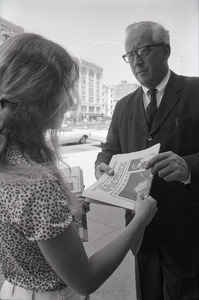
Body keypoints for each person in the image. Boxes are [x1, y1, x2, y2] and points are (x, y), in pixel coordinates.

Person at [0, 33, 157, 300]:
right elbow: (86, 280)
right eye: (65, 91)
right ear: (41, 97)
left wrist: (66, 209)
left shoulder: (15, 156)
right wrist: (139, 220)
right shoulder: (36, 181)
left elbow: (25, 231)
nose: (70, 103)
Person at [95, 21, 199, 300]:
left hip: (187, 228)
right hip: (140, 230)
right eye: (130, 55)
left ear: (165, 51)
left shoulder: (195, 90)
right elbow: (109, 149)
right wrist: (101, 166)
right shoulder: (123, 106)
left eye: (143, 50)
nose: (135, 61)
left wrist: (188, 166)